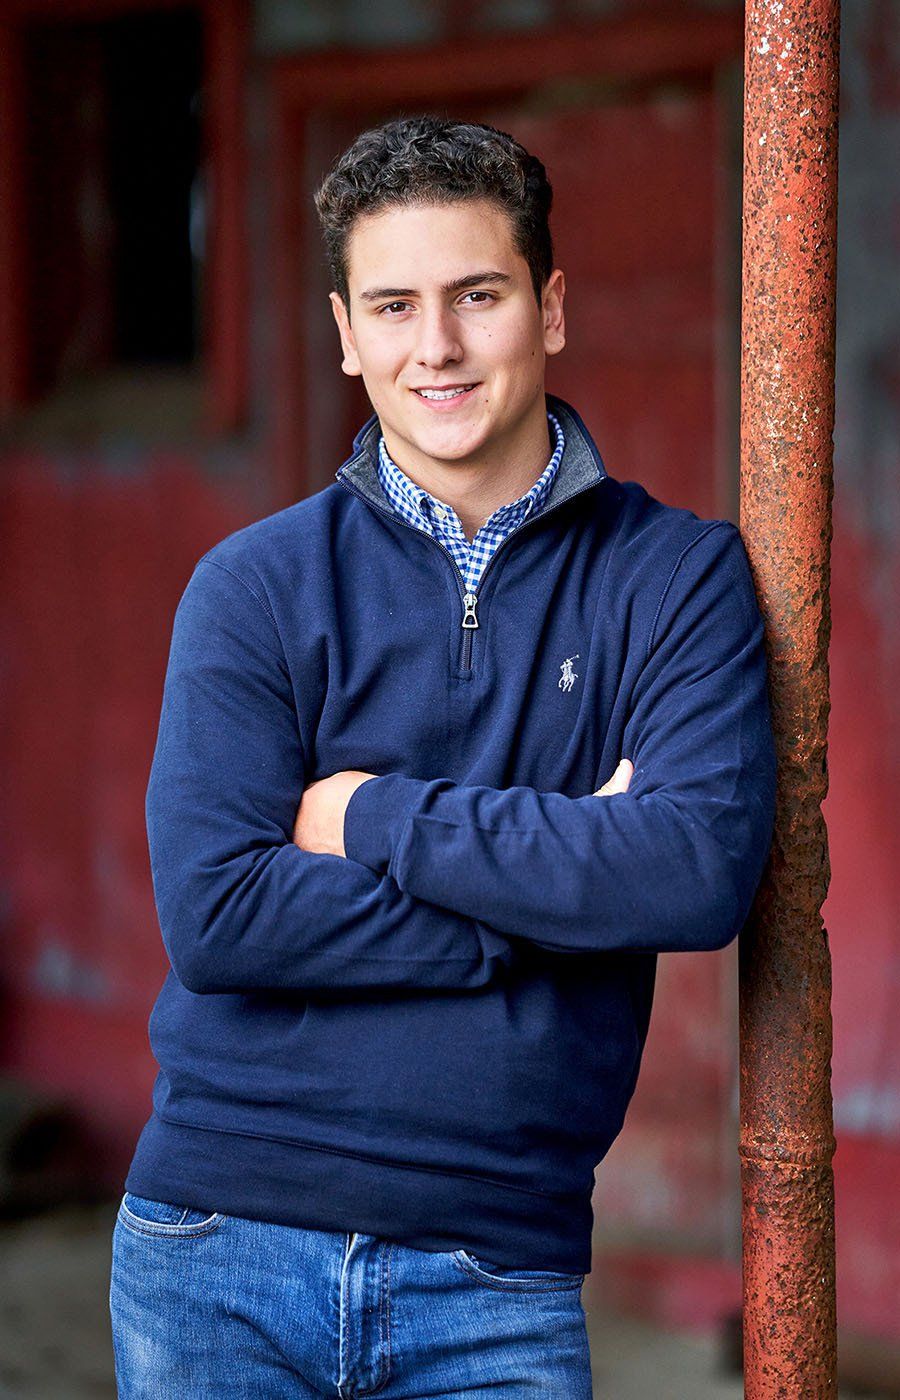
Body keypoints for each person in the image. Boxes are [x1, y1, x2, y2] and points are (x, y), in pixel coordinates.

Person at [109, 115, 776, 1398]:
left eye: (478, 294)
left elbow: (690, 872)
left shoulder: (676, 578)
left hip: (498, 1271)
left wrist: (368, 814)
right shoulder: (252, 586)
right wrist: (555, 887)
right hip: (218, 1241)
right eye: (395, 305)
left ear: (552, 305)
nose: (439, 348)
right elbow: (221, 914)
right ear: (346, 332)